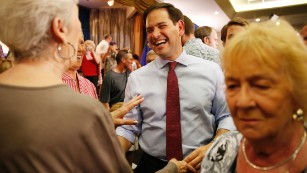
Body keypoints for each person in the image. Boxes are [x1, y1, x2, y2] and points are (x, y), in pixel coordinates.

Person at [0, 0, 132, 172]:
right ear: (60, 28)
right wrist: (172, 168)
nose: (81, 45)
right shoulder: (86, 112)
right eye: (77, 21)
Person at [116, 3, 235, 173]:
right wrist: (106, 157)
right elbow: (129, 127)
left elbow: (226, 116)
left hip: (202, 163)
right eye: (150, 30)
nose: (155, 34)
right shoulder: (137, 78)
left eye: (162, 26)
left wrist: (213, 146)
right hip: (153, 166)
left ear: (180, 27)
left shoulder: (211, 71)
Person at [201, 20, 307, 173]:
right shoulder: (221, 152)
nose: (242, 102)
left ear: (297, 91)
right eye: (233, 86)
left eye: (261, 86)